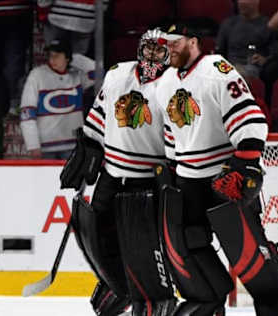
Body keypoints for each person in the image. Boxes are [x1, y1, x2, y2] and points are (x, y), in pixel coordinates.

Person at [156, 22, 278, 316]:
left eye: (175, 42)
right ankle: (207, 307)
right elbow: (171, 135)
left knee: (251, 257)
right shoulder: (165, 83)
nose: (168, 48)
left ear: (193, 42)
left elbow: (251, 122)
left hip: (223, 176)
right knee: (189, 251)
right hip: (187, 180)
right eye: (165, 43)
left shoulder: (216, 70)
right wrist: (169, 173)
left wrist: (246, 166)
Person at [59, 29, 177, 316]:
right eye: (147, 49)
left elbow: (181, 136)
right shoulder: (117, 74)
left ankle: (155, 296)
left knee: (147, 246)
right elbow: (99, 114)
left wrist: (175, 171)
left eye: (157, 50)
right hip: (111, 174)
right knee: (97, 233)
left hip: (148, 179)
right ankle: (117, 285)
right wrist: (87, 146)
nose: (150, 55)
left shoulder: (175, 85)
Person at [19, 38, 95, 159]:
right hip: (45, 148)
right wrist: (33, 145)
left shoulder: (77, 76)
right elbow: (27, 112)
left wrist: (74, 58)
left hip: (73, 145)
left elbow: (99, 73)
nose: (52, 59)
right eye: (51, 55)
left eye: (57, 55)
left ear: (67, 58)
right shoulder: (37, 75)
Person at [216, 0, 278, 79]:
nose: (242, 2)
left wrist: (265, 60)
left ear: (257, 2)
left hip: (254, 67)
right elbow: (219, 52)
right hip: (230, 66)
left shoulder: (268, 25)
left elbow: (276, 55)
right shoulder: (228, 23)